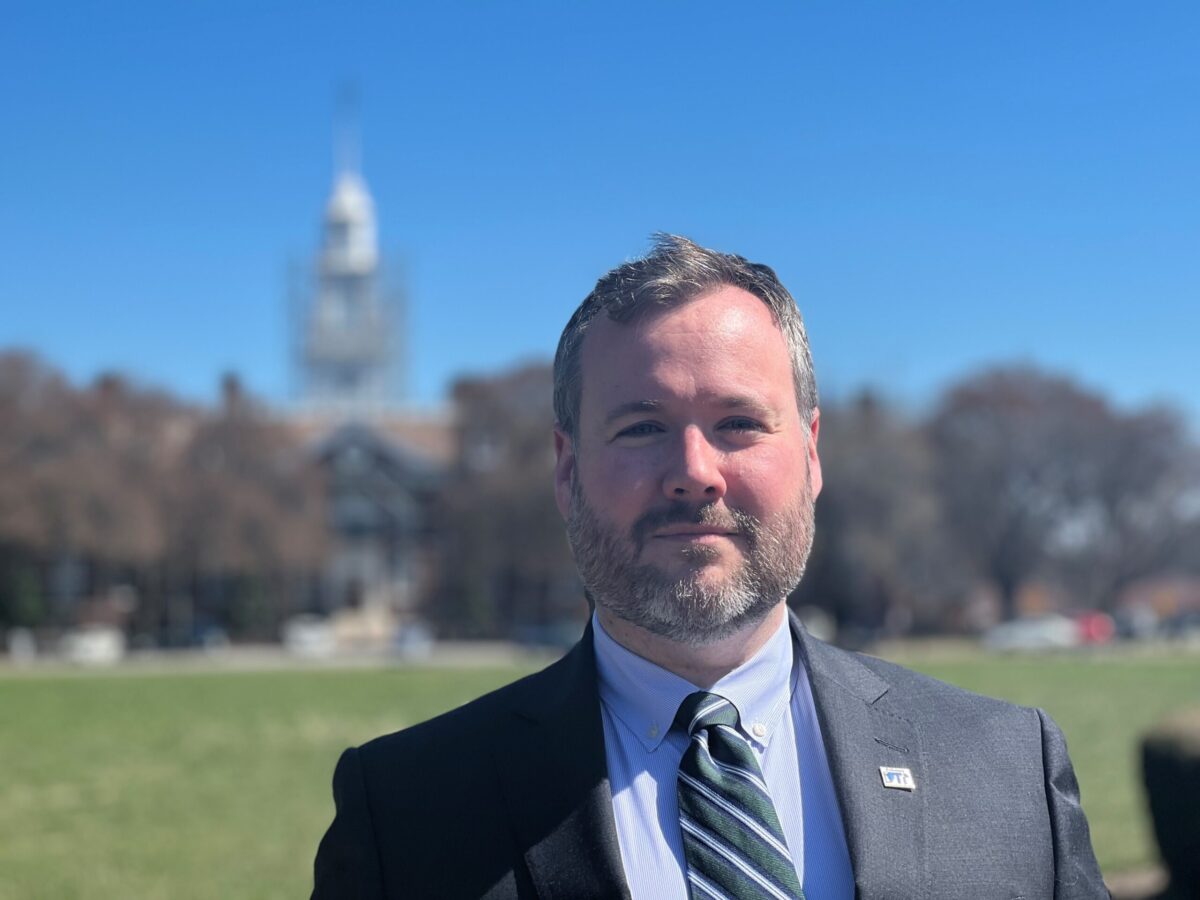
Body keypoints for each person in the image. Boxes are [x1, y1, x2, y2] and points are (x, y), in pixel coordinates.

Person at [312, 235, 1108, 899]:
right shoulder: (406, 813)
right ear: (565, 470)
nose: (694, 471)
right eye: (640, 427)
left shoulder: (1007, 773)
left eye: (736, 422)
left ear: (810, 452)